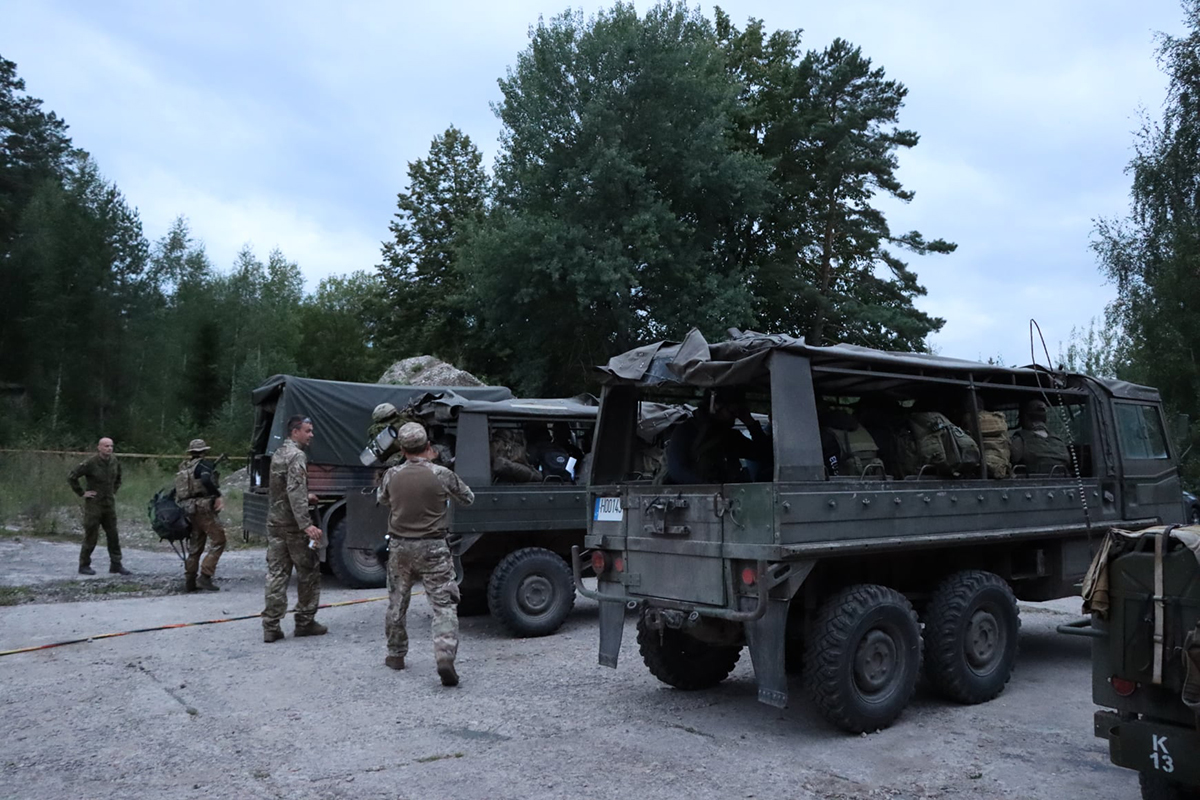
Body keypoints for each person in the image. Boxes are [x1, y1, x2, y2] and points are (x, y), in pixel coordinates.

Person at [378, 422, 475, 686]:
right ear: (428, 446)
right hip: (433, 547)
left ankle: (396, 654)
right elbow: (468, 498)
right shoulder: (441, 474)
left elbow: (383, 499)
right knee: (443, 604)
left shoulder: (391, 475)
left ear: (402, 449)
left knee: (397, 601)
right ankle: (444, 656)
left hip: (400, 547)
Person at [262, 415, 326, 642]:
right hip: (293, 527)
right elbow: (295, 490)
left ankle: (271, 626)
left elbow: (282, 488)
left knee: (277, 574)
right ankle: (305, 622)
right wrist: (306, 524)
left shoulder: (279, 453)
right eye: (308, 431)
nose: (311, 435)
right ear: (295, 432)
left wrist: (306, 496)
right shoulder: (297, 456)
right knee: (308, 572)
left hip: (275, 522)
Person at [665, 389, 771, 485]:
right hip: (699, 495)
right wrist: (709, 487)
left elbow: (764, 454)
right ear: (715, 406)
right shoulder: (687, 430)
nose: (736, 416)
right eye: (732, 411)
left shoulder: (729, 436)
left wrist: (751, 424)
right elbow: (677, 471)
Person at [68, 437, 130, 575]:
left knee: (113, 535)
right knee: (91, 535)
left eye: (111, 446)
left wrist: (113, 491)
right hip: (94, 504)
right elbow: (72, 476)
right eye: (106, 446)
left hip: (109, 504)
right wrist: (82, 493)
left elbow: (118, 478)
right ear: (99, 447)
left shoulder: (114, 461)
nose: (109, 448)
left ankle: (116, 564)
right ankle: (84, 565)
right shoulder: (91, 463)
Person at [174, 438, 226, 592]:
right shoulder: (204, 465)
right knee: (219, 540)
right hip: (204, 507)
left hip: (189, 508)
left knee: (195, 545)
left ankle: (190, 580)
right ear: (204, 451)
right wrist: (217, 495)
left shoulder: (185, 467)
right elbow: (205, 480)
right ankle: (205, 576)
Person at [1010, 399, 1071, 475]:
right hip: (1062, 481)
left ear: (1025, 418)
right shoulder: (1059, 442)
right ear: (1045, 419)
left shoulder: (1019, 441)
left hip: (1029, 482)